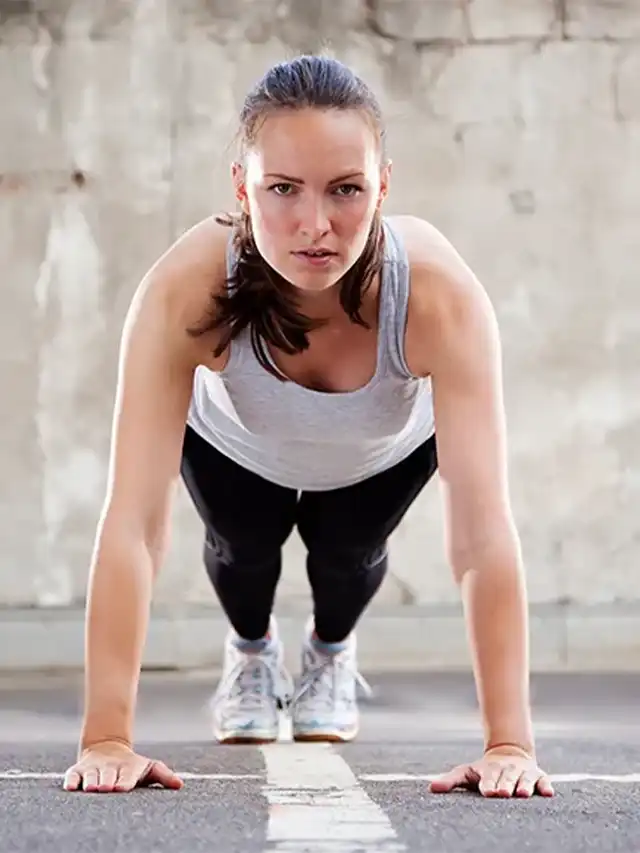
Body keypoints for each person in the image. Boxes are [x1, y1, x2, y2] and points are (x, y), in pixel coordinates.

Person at [62, 54, 554, 800]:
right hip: (237, 445)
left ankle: (328, 653)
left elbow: (482, 534)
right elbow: (132, 522)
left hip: (377, 451)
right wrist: (105, 738)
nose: (314, 224)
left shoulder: (439, 295)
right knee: (242, 551)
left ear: (383, 185)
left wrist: (509, 744)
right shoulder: (185, 286)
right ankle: (253, 654)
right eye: (283, 189)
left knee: (348, 559)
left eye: (346, 190)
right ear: (242, 187)